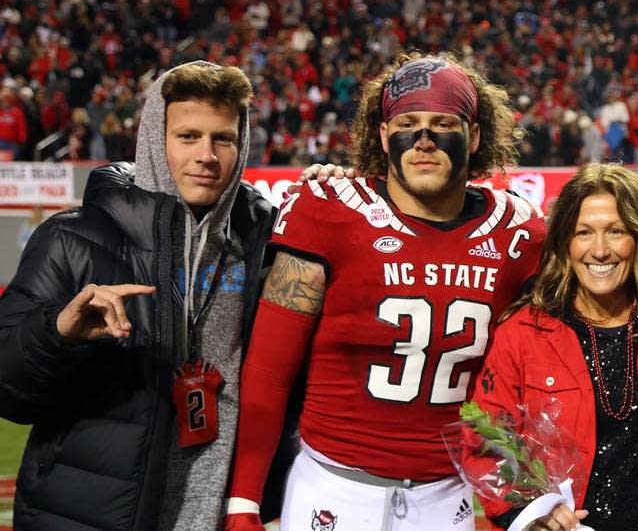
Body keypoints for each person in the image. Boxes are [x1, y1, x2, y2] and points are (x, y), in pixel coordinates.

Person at [224, 52, 546, 531]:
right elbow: (270, 371)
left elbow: (531, 379)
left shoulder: (520, 233)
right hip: (332, 490)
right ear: (382, 134)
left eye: (444, 123)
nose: (423, 140)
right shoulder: (329, 209)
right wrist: (244, 502)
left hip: (448, 494)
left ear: (474, 136)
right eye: (407, 123)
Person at [0, 61, 287, 530]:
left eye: (224, 139)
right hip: (95, 515)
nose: (207, 156)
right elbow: (7, 391)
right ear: (156, 138)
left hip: (218, 516)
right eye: (188, 137)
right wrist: (58, 335)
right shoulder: (74, 239)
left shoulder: (261, 244)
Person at [472, 163, 638, 531]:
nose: (599, 250)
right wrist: (526, 512)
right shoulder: (523, 331)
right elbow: (484, 435)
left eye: (616, 231)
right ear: (565, 243)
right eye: (584, 232)